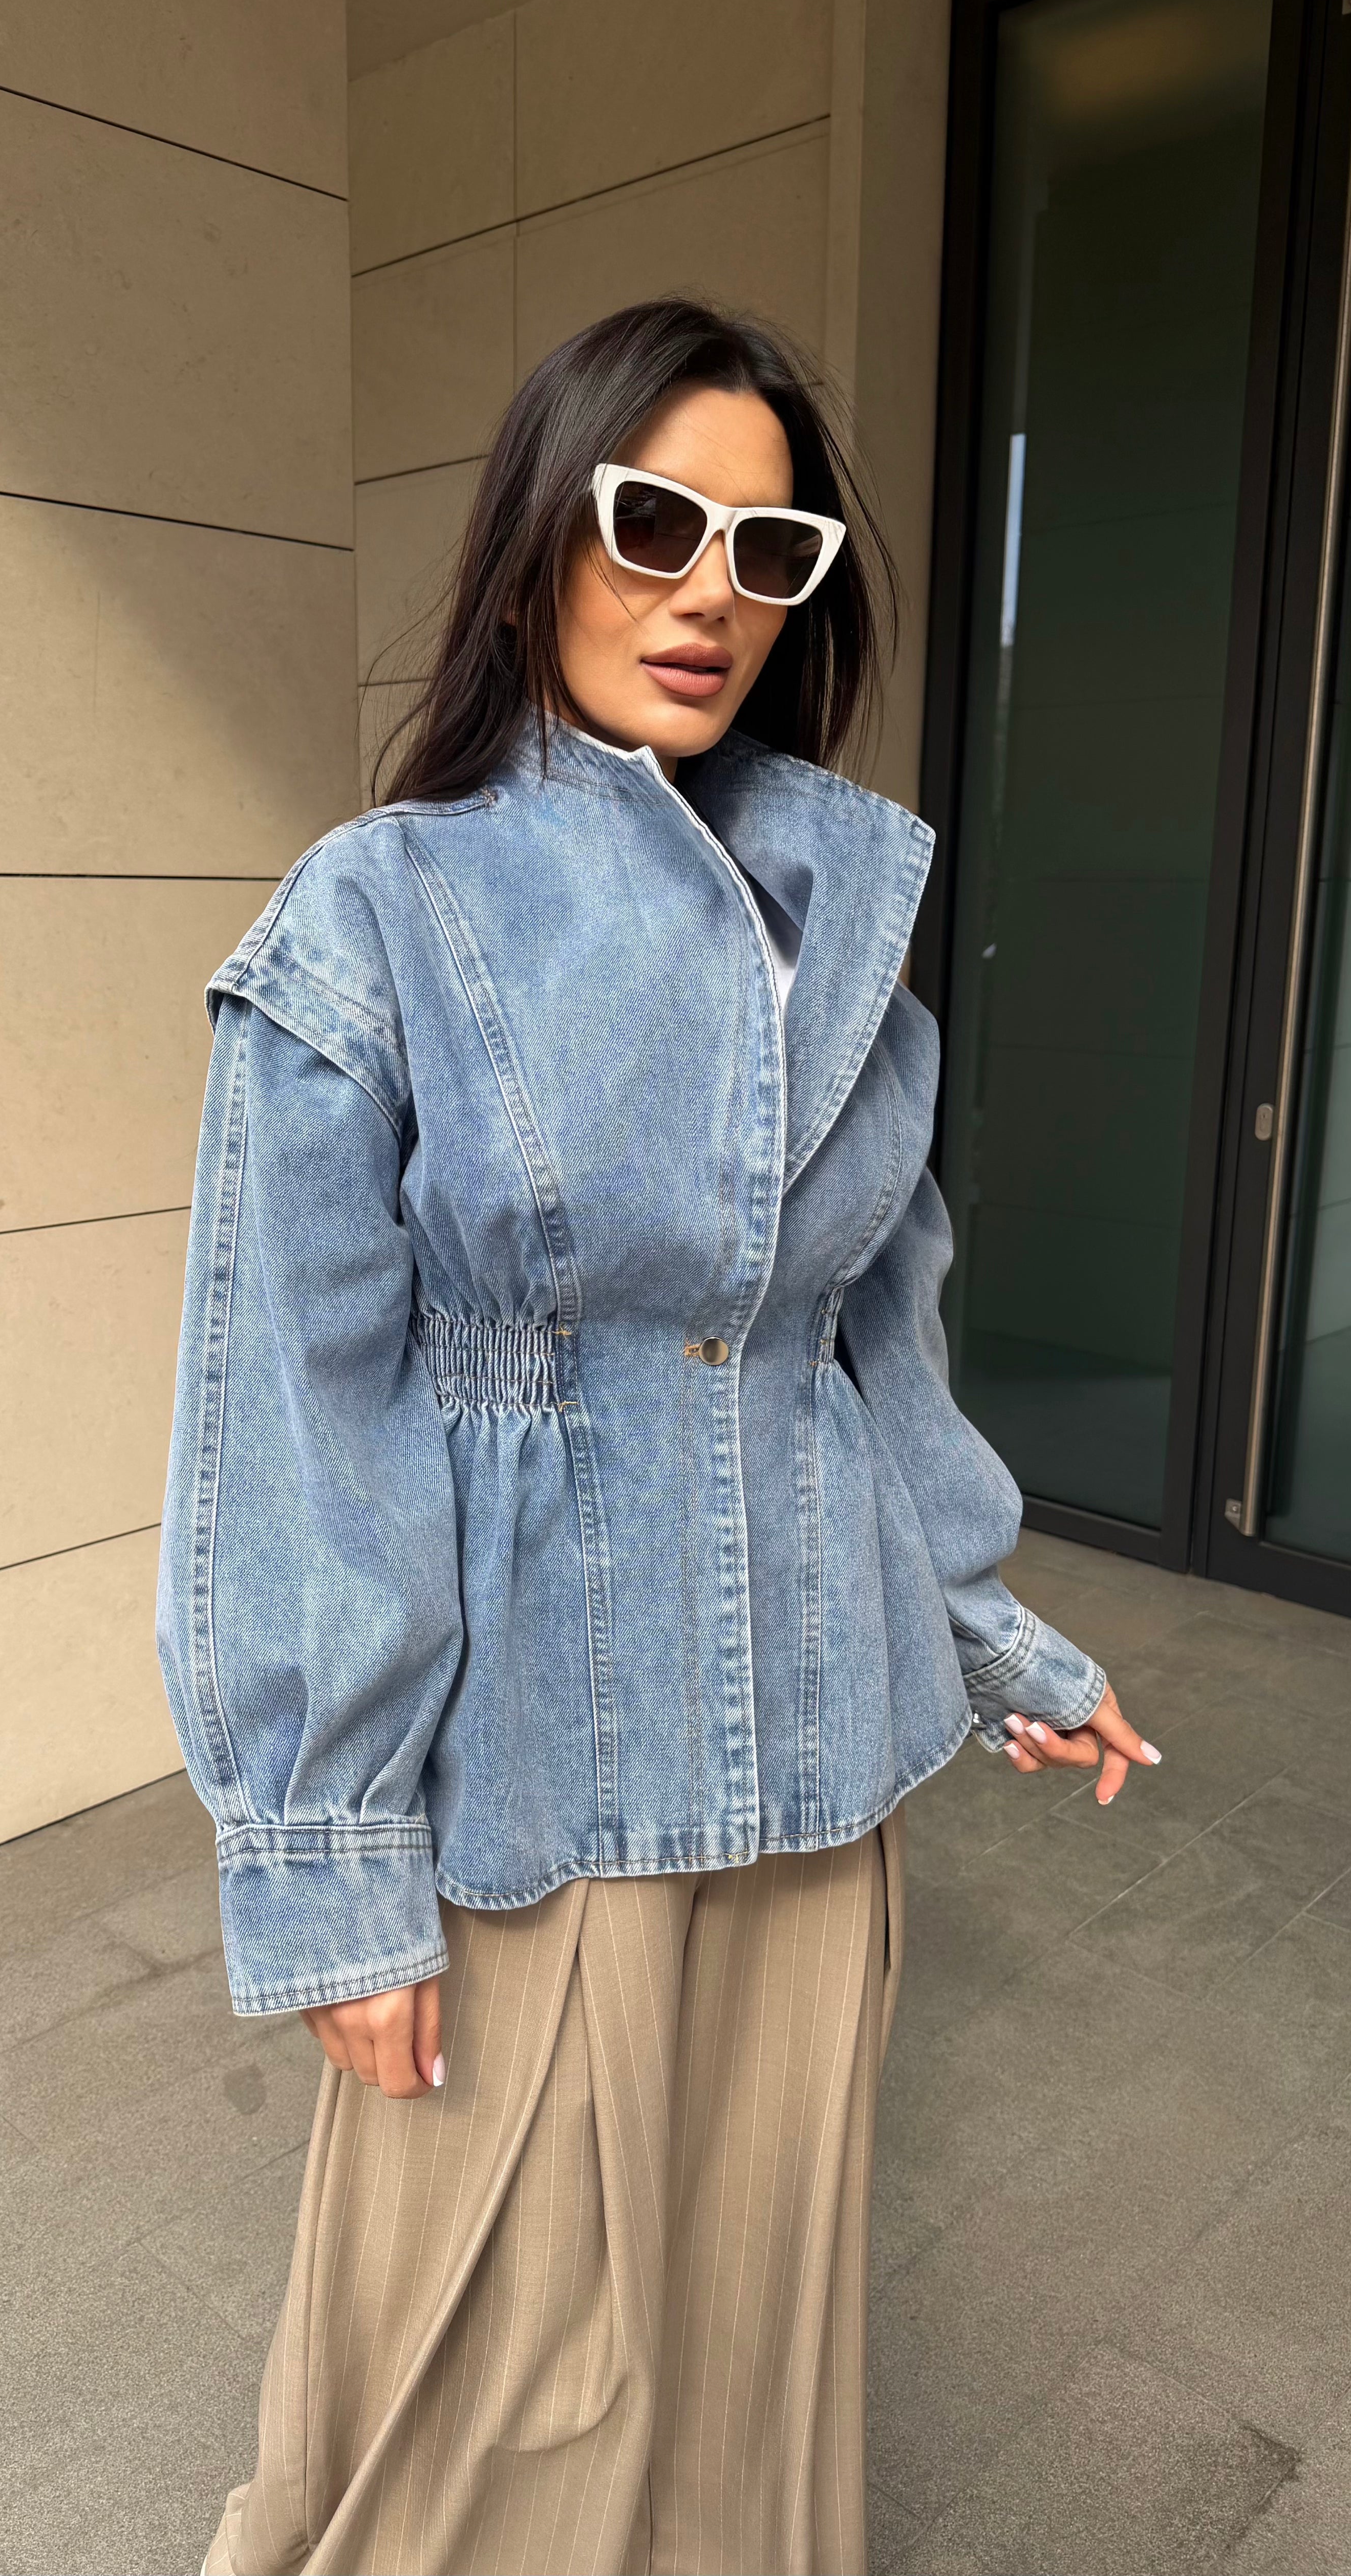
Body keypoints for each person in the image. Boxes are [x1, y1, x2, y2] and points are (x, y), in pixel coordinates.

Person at [156, 295, 1160, 2576]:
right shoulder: (381, 915)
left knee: (737, 2357)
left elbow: (874, 1353)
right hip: (535, 1782)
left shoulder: (850, 935)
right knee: (485, 2390)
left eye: (768, 549)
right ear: (538, 545)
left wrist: (996, 1640)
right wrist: (326, 1861)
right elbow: (297, 1420)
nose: (709, 589)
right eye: (652, 523)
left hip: (819, 1767)